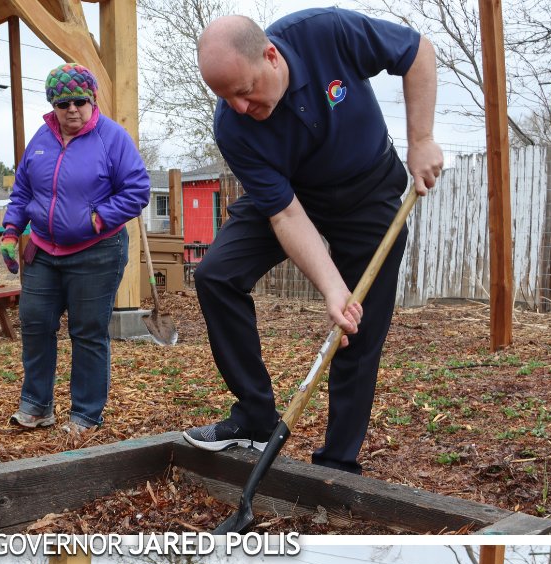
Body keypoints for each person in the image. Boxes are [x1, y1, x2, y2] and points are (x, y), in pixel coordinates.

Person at [182, 11, 443, 474]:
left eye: (243, 91)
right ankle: (256, 416)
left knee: (358, 331)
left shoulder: (327, 33)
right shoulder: (232, 126)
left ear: (271, 55)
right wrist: (331, 288)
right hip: (291, 194)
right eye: (225, 97)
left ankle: (336, 465)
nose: (239, 107)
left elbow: (417, 51)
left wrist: (421, 138)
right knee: (216, 274)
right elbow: (285, 213)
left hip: (367, 190)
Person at [1, 64, 149, 443]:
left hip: (96, 250)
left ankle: (86, 413)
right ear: (53, 104)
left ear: (92, 99)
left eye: (79, 101)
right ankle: (37, 404)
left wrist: (99, 219)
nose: (72, 110)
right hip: (44, 249)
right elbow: (22, 191)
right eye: (63, 102)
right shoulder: (40, 139)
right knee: (35, 323)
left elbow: (137, 189)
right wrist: (11, 230)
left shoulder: (111, 138)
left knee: (86, 331)